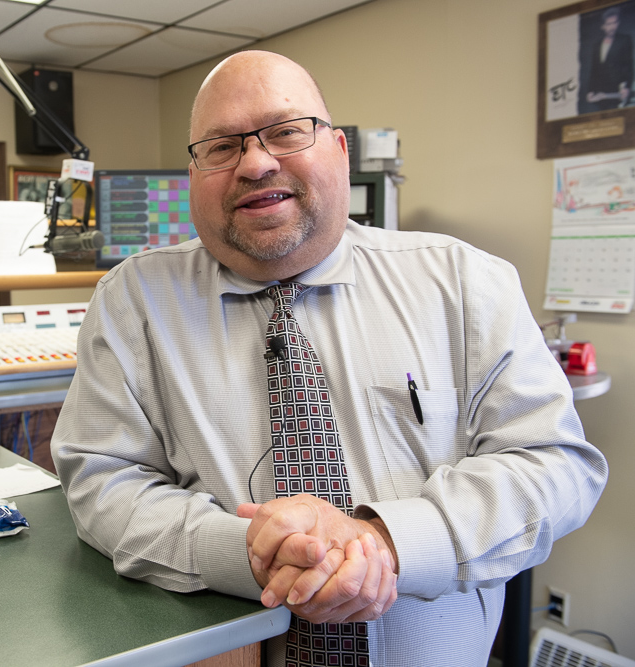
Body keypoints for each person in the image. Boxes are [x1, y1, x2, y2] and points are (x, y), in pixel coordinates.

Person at [50, 50, 608, 666]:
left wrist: (385, 542)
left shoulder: (465, 281)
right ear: (194, 173)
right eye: (221, 145)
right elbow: (103, 482)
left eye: (287, 132)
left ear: (340, 151)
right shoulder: (132, 301)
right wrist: (250, 550)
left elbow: (553, 463)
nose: (256, 162)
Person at [583, 5, 633, 111]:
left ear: (618, 23)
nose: (612, 27)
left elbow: (628, 66)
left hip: (617, 93)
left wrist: (627, 87)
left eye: (614, 23)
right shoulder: (597, 45)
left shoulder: (624, 40)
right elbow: (594, 70)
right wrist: (590, 91)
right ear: (603, 26)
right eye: (609, 24)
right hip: (600, 94)